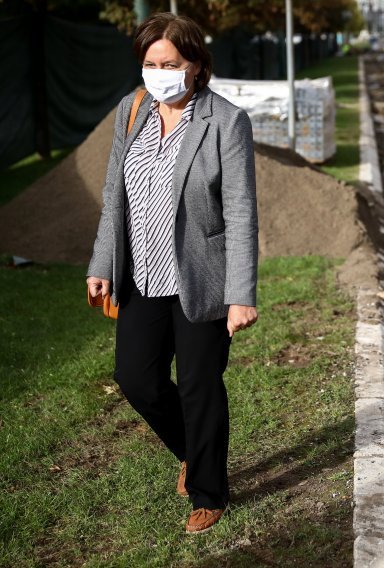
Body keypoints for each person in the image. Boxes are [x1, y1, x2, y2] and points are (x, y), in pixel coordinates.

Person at [86, 12, 258, 534]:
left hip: (201, 277)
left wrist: (241, 294)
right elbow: (114, 195)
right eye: (150, 63)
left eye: (171, 63)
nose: (159, 72)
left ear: (196, 65)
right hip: (141, 274)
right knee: (135, 378)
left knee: (199, 386)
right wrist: (101, 264)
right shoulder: (131, 110)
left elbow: (241, 212)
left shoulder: (226, 121)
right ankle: (193, 451)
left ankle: (209, 493)